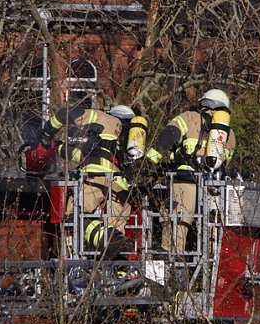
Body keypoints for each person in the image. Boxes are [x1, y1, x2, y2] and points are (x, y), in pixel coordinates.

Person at [144, 89, 236, 252]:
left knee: (175, 224)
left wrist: (148, 162)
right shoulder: (229, 133)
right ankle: (204, 270)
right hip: (213, 189)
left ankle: (170, 264)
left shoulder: (189, 118)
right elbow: (224, 162)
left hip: (185, 181)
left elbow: (168, 136)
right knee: (208, 231)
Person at [39, 103, 135, 257]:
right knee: (116, 230)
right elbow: (84, 156)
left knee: (72, 216)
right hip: (120, 187)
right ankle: (120, 269)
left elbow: (67, 113)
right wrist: (59, 147)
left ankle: (103, 239)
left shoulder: (104, 118)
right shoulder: (126, 138)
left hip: (96, 178)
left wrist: (47, 131)